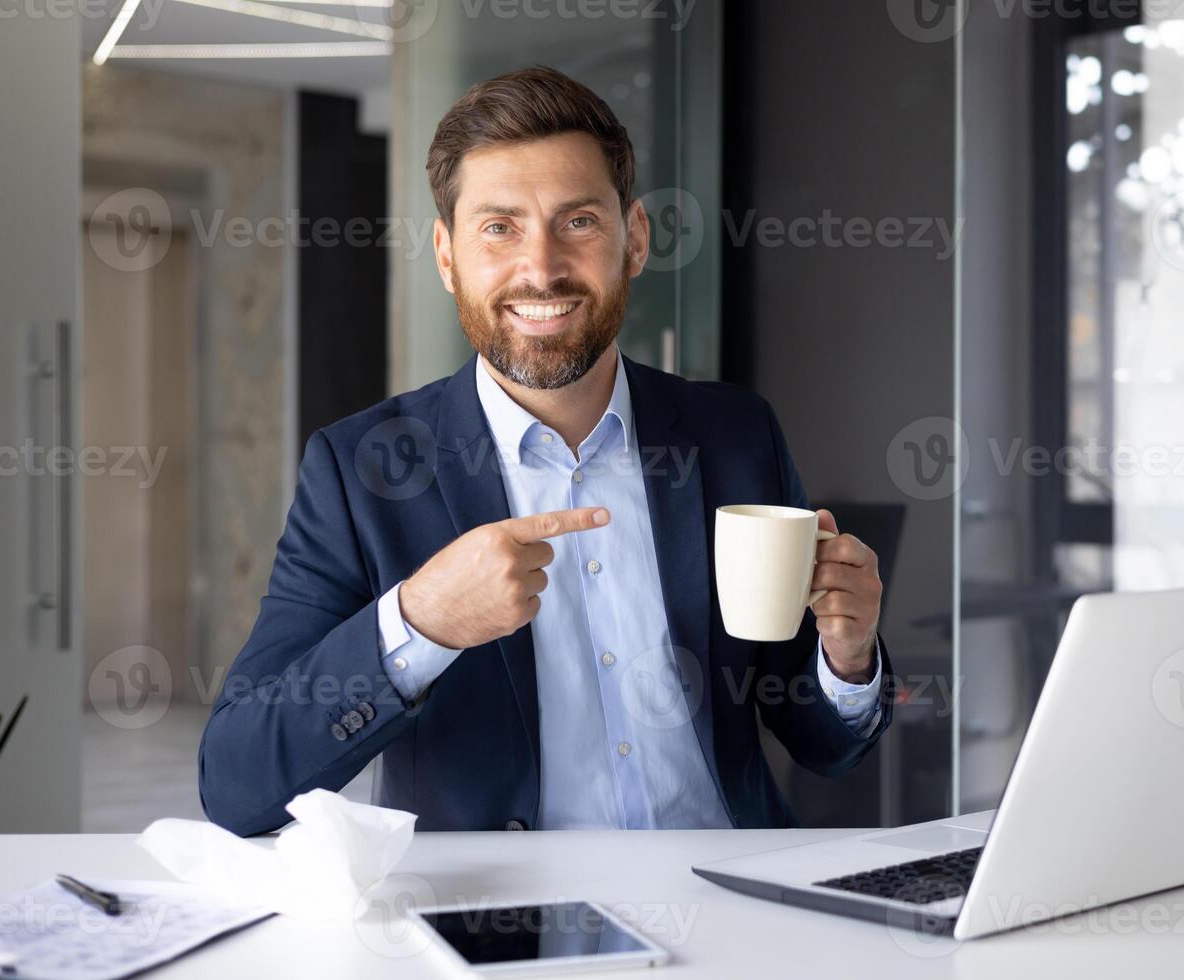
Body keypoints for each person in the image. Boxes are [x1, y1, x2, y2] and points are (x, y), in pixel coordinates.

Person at [198, 66, 894, 836]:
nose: (541, 268)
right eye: (499, 228)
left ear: (634, 240)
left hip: (727, 912)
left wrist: (848, 657)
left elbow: (824, 744)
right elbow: (237, 784)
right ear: (446, 255)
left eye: (579, 222)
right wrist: (422, 621)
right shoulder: (358, 469)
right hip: (497, 936)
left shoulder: (735, 434)